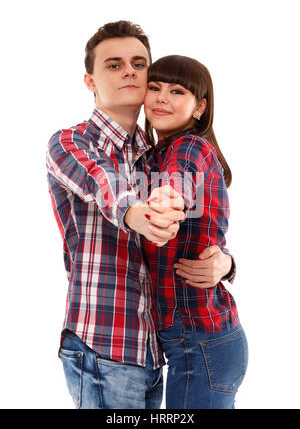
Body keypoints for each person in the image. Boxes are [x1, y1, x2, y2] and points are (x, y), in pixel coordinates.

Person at [46, 21, 235, 409]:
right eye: (114, 65)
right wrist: (140, 213)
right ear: (90, 80)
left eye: (138, 63)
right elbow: (104, 185)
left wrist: (226, 263)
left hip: (157, 351)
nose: (129, 71)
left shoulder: (159, 151)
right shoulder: (70, 142)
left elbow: (198, 226)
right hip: (104, 347)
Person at [142, 55, 248, 409]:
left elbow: (179, 178)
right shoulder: (156, 153)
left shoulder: (189, 147)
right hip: (197, 342)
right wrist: (228, 263)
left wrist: (168, 199)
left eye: (176, 91)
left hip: (200, 342)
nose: (160, 98)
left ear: (199, 107)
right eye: (154, 87)